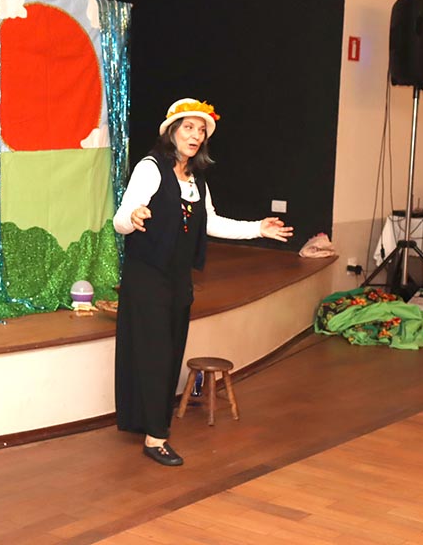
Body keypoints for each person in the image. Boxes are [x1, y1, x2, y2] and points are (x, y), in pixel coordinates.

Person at [113, 98, 293, 466]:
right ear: (172, 132)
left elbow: (211, 223)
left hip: (177, 279)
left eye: (201, 130)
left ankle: (145, 421)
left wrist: (257, 229)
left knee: (169, 354)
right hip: (147, 276)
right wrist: (134, 216)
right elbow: (120, 220)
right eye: (188, 128)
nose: (195, 135)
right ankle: (155, 438)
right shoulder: (150, 168)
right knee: (155, 355)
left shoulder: (197, 180)